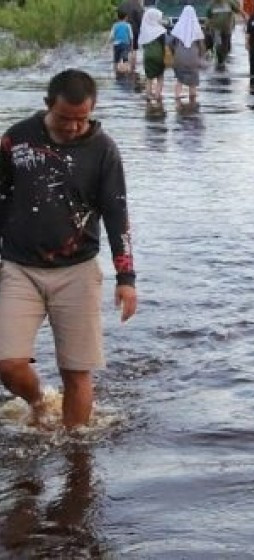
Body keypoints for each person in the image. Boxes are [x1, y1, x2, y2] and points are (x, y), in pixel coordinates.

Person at [0, 69, 137, 429]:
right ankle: (40, 402)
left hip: (78, 270)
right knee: (7, 364)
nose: (74, 127)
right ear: (48, 105)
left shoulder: (104, 150)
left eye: (82, 119)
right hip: (18, 267)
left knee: (76, 371)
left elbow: (117, 214)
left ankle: (76, 448)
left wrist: (126, 278)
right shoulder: (16, 140)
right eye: (64, 118)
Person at [170, 6, 207, 105]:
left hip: (179, 58)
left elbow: (171, 43)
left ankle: (177, 101)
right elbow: (202, 47)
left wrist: (175, 53)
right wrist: (201, 57)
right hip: (193, 59)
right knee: (193, 83)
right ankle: (192, 103)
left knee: (179, 80)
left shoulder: (177, 28)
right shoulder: (197, 29)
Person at [138, 7, 168, 102]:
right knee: (160, 77)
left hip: (147, 56)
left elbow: (143, 44)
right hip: (159, 55)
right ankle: (157, 95)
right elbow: (165, 45)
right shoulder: (161, 31)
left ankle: (148, 95)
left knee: (149, 78)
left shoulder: (145, 30)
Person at [207, 0, 244, 68]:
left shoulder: (229, 2)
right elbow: (208, 16)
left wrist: (246, 17)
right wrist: (207, 26)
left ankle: (223, 60)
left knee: (225, 46)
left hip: (227, 29)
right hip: (216, 29)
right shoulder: (212, 4)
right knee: (218, 44)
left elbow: (238, 10)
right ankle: (219, 60)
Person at [118, 0, 144, 70]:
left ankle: (122, 67)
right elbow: (140, 20)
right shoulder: (137, 6)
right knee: (134, 49)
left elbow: (118, 17)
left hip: (122, 29)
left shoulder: (122, 4)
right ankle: (133, 68)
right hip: (134, 30)